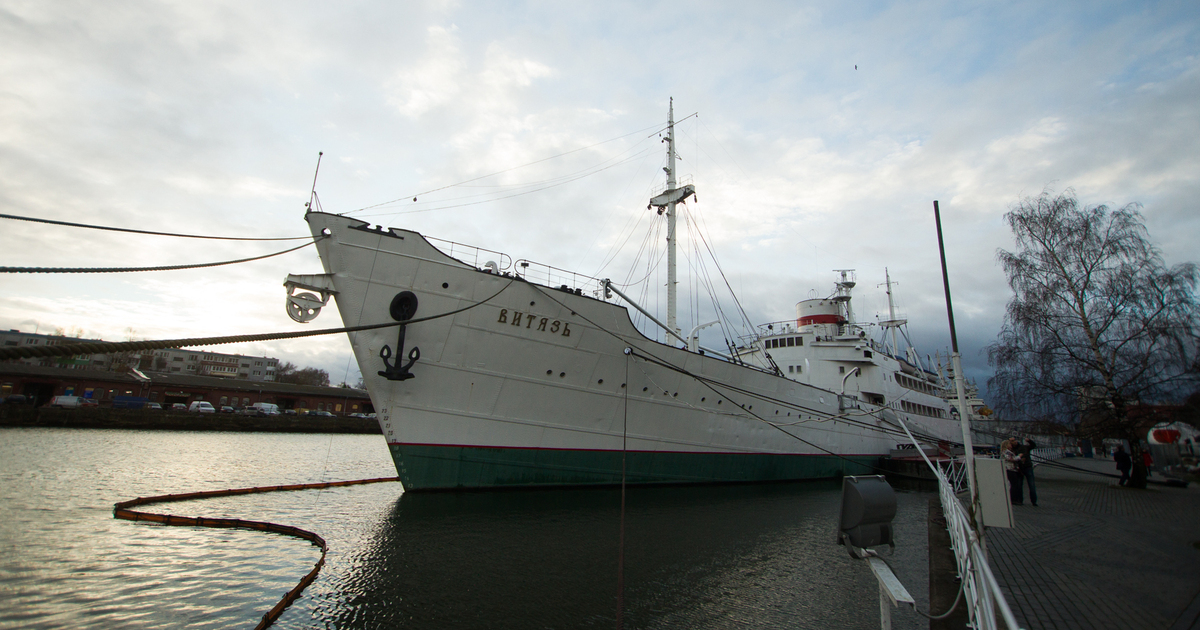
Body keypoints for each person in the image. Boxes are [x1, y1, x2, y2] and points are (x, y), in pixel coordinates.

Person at [1002, 438, 1024, 505]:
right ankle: (1013, 499)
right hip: (1010, 469)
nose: (1011, 445)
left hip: (1013, 469)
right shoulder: (1006, 452)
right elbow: (1011, 459)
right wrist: (1019, 457)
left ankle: (1015, 498)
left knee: (1014, 484)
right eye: (1009, 444)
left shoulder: (1009, 451)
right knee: (1013, 484)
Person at [1019, 437, 1038, 506]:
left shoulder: (1017, 448)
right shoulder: (1025, 447)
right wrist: (1029, 441)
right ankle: (1033, 501)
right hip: (1026, 467)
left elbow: (1033, 445)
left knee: (1020, 485)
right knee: (1031, 484)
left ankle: (1020, 500)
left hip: (1022, 467)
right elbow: (1033, 446)